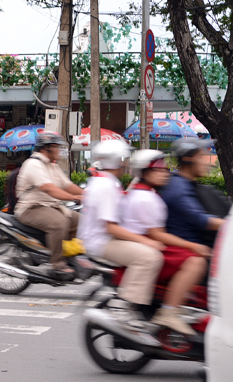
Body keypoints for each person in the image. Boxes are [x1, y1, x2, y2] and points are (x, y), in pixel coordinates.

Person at [77, 140, 164, 331]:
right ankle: (123, 305)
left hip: (102, 238)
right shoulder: (106, 186)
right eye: (124, 159)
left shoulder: (105, 181)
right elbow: (111, 228)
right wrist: (146, 241)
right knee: (149, 257)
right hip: (102, 242)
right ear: (117, 160)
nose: (126, 164)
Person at [121, 150, 210, 335]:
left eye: (164, 169)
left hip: (147, 243)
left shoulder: (143, 193)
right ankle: (169, 312)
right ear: (144, 173)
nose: (164, 173)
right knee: (196, 261)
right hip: (148, 245)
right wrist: (192, 246)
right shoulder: (146, 198)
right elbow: (157, 234)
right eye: (158, 170)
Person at [14, 131, 83, 279]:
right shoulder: (33, 164)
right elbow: (48, 188)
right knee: (59, 224)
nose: (59, 150)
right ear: (46, 148)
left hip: (51, 207)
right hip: (31, 208)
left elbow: (67, 185)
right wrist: (74, 198)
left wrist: (87, 194)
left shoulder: (52, 166)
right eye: (56, 147)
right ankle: (57, 264)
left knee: (82, 221)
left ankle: (69, 256)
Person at [161, 138, 224, 245]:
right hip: (189, 251)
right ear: (187, 159)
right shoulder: (178, 188)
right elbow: (200, 219)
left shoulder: (187, 183)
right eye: (201, 156)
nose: (205, 162)